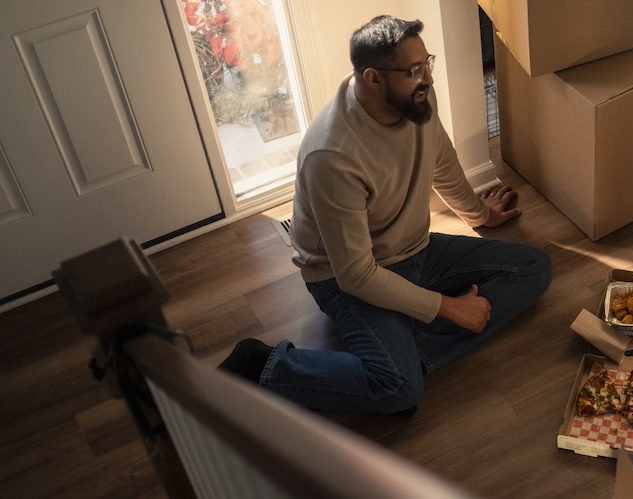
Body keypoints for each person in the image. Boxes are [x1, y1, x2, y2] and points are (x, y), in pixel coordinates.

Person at [218, 15, 552, 414]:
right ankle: (267, 365)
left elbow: (442, 163)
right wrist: (449, 308)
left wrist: (480, 215)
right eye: (414, 70)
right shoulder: (333, 154)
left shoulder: (415, 100)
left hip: (415, 251)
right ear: (373, 79)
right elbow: (356, 275)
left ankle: (398, 357)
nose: (427, 78)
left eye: (427, 63)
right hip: (345, 277)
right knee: (399, 389)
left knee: (533, 267)